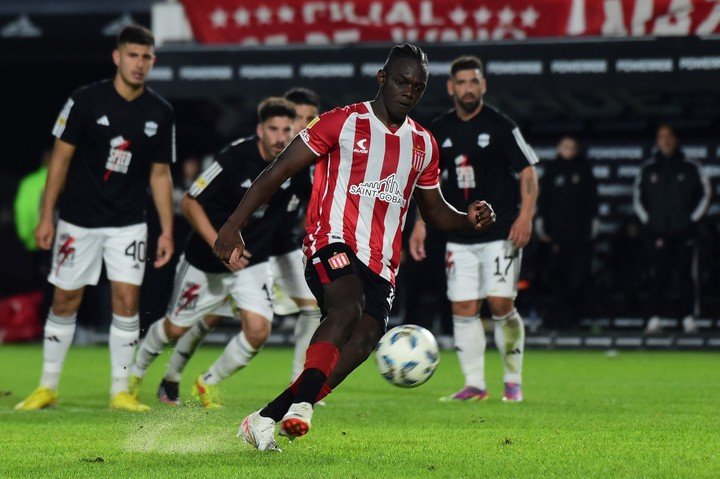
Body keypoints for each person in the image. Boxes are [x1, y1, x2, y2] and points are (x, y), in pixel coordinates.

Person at [214, 44, 496, 451]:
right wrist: (232, 224)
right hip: (330, 240)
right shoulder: (342, 123)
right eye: (401, 81)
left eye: (417, 87)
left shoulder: (424, 144)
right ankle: (304, 406)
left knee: (363, 341)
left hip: (381, 263)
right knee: (347, 306)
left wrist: (467, 218)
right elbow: (278, 171)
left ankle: (263, 419)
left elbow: (435, 213)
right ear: (382, 79)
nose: (408, 91)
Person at [15, 25, 175, 412]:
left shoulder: (160, 112)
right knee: (66, 298)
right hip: (77, 221)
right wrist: (46, 216)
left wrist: (167, 229)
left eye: (146, 57)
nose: (139, 64)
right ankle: (47, 387)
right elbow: (61, 159)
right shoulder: (85, 101)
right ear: (117, 57)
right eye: (133, 55)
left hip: (128, 223)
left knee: (126, 298)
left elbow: (159, 175)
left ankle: (121, 391)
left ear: (153, 61)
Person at [147, 89, 324, 407]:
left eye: (310, 119)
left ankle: (299, 381)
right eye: (298, 118)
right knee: (210, 317)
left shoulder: (310, 156)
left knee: (311, 306)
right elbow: (202, 200)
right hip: (252, 245)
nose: (302, 125)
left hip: (279, 246)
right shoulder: (255, 156)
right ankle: (172, 376)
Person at [409, 55, 538, 403]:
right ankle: (475, 385)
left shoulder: (500, 125)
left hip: (501, 233)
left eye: (474, 81)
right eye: (462, 82)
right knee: (463, 309)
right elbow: (428, 183)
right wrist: (420, 224)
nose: (468, 88)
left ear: (483, 85)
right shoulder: (440, 130)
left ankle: (512, 381)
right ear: (451, 88)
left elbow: (527, 172)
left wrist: (525, 217)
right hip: (459, 235)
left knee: (500, 304)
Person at [634, 124, 710, 334]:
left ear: (676, 139)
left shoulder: (690, 166)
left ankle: (687, 318)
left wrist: (689, 222)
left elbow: (705, 196)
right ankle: (654, 318)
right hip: (657, 233)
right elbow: (639, 199)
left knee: (686, 275)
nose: (665, 141)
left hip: (685, 232)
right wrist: (651, 223)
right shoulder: (648, 168)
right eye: (661, 137)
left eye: (669, 136)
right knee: (657, 275)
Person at [536, 136, 598, 330]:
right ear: (558, 148)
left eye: (573, 146)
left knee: (578, 276)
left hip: (579, 234)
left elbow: (592, 198)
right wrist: (541, 224)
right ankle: (556, 318)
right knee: (556, 276)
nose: (569, 150)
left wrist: (593, 223)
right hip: (556, 234)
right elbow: (543, 198)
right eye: (565, 146)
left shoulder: (584, 169)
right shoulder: (551, 170)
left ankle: (576, 318)